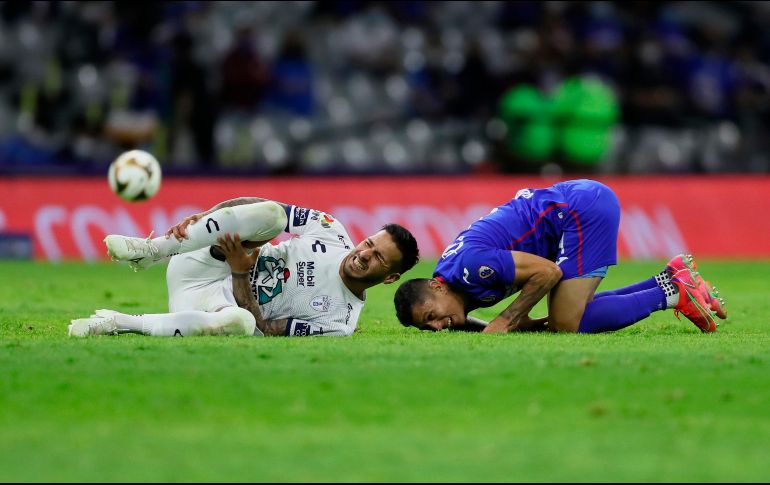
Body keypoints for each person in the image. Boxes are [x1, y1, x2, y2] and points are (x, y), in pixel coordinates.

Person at [393, 179, 726, 334]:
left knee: (568, 322)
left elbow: (548, 273)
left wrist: (506, 320)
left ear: (436, 289)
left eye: (431, 316)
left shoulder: (469, 269)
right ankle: (668, 278)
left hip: (580, 210)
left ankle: (673, 292)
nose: (439, 327)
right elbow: (467, 323)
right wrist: (517, 324)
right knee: (567, 313)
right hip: (572, 207)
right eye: (429, 327)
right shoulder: (450, 283)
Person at [69, 197, 419, 337]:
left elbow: (266, 330)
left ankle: (115, 322)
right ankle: (152, 250)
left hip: (206, 306)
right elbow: (257, 206)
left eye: (378, 258)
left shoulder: (339, 323)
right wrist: (209, 216)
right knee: (272, 215)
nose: (363, 254)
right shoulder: (331, 230)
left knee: (242, 322)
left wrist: (240, 271)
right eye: (368, 243)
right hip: (203, 258)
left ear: (389, 277)